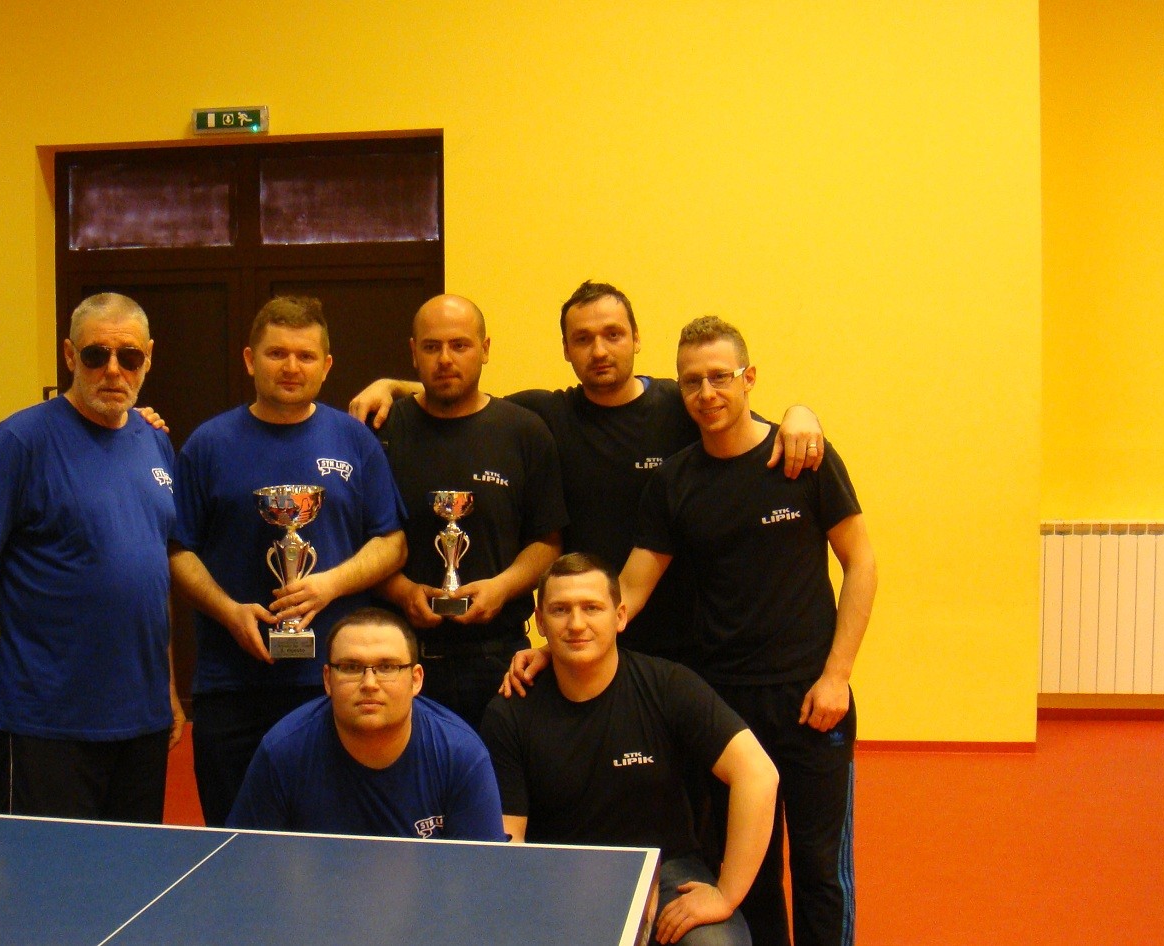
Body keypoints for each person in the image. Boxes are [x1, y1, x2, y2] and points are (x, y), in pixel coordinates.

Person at [351, 280, 825, 660]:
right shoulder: (542, 417)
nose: (599, 350)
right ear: (565, 348)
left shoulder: (679, 405)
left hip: (685, 638)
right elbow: (462, 397)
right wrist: (392, 386)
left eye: (612, 334)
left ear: (636, 338)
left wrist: (800, 413)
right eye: (583, 339)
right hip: (583, 638)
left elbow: (745, 425)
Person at [620, 316, 877, 946]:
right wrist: (557, 647)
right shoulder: (674, 481)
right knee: (750, 871)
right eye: (691, 381)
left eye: (720, 377)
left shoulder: (803, 459)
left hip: (812, 701)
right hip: (725, 706)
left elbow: (862, 563)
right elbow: (629, 590)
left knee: (820, 872)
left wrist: (837, 677)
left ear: (749, 378)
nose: (706, 393)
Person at [0, 292, 183, 822]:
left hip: (142, 717)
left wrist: (170, 690)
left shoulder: (154, 442)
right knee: (47, 873)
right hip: (48, 721)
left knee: (132, 867)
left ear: (149, 358)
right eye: (96, 355)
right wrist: (25, 596)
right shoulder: (21, 440)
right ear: (69, 355)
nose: (113, 370)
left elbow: (153, 580)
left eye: (129, 356)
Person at [168, 296, 407, 827]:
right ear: (250, 359)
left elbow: (392, 542)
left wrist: (329, 585)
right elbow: (178, 551)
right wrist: (229, 611)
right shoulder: (207, 445)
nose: (291, 367)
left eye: (305, 355)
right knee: (233, 841)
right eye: (277, 353)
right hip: (230, 685)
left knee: (332, 839)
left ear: (327, 365)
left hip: (334, 683)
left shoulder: (356, 441)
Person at [482, 554, 778, 946]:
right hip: (558, 877)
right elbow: (511, 844)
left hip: (665, 872)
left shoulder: (669, 686)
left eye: (592, 608)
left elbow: (758, 774)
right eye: (560, 610)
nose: (576, 623)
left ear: (619, 616)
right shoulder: (510, 712)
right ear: (539, 621)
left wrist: (726, 894)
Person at [372, 294, 567, 731]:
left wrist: (502, 588)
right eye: (432, 346)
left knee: (497, 775)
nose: (445, 359)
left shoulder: (525, 431)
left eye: (459, 345)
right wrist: (402, 592)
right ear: (413, 353)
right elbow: (361, 543)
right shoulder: (382, 431)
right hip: (398, 656)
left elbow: (547, 541)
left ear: (485, 348)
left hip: (499, 660)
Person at [228, 608, 504, 841]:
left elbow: (480, 876)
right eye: (351, 667)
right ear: (327, 680)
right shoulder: (281, 752)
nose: (369, 683)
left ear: (416, 679)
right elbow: (247, 866)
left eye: (387, 667)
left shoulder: (462, 756)